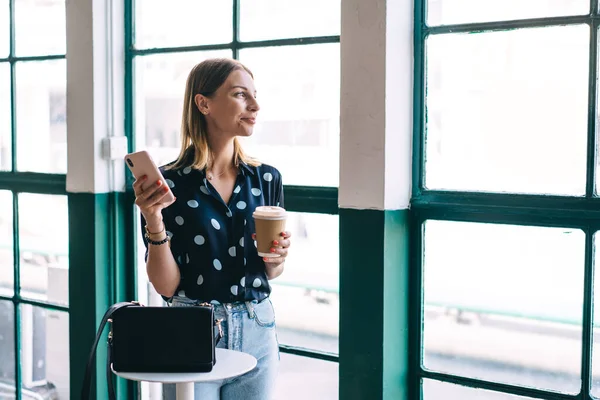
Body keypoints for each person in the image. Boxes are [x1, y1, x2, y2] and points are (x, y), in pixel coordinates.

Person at [132, 58, 291, 400]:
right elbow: (166, 285)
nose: (255, 105)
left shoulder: (267, 178)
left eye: (254, 95)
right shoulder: (170, 183)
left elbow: (271, 270)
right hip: (192, 329)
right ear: (203, 103)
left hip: (257, 326)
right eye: (239, 94)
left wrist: (277, 258)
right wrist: (153, 220)